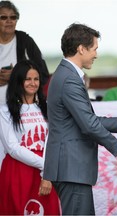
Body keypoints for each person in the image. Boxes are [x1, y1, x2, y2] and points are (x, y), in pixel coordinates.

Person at [41, 23, 117, 215]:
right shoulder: (69, 79)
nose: (96, 54)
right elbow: (89, 124)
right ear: (81, 49)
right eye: (94, 49)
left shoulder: (66, 75)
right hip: (71, 168)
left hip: (70, 168)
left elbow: (85, 119)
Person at [0, 60, 60, 214]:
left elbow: (53, 140)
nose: (33, 83)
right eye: (28, 79)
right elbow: (12, 148)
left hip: (44, 172)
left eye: (36, 79)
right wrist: (45, 167)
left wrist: (47, 172)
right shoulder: (5, 111)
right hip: (18, 170)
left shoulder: (48, 108)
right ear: (18, 81)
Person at [0, 0, 49, 169]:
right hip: (2, 109)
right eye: (3, 17)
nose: (9, 21)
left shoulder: (24, 40)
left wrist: (16, 75)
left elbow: (42, 72)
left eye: (13, 17)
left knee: (18, 154)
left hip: (18, 111)